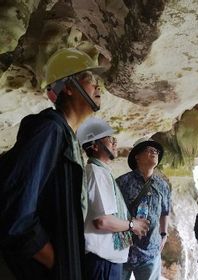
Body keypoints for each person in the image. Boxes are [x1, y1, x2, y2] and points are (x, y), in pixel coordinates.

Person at [0, 48, 104, 280]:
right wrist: (59, 262)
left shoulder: (67, 138)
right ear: (68, 87)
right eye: (89, 80)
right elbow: (17, 212)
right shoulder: (49, 130)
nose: (98, 87)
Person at [77, 117, 150, 280]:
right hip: (102, 263)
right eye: (109, 139)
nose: (115, 142)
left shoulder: (101, 172)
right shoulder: (96, 172)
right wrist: (132, 225)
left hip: (105, 262)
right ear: (95, 146)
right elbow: (102, 221)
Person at [116, 137, 171, 280]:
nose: (154, 152)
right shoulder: (122, 182)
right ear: (137, 157)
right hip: (123, 248)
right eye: (149, 150)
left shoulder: (162, 185)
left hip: (150, 251)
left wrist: (164, 235)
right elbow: (113, 212)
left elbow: (165, 212)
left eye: (156, 151)